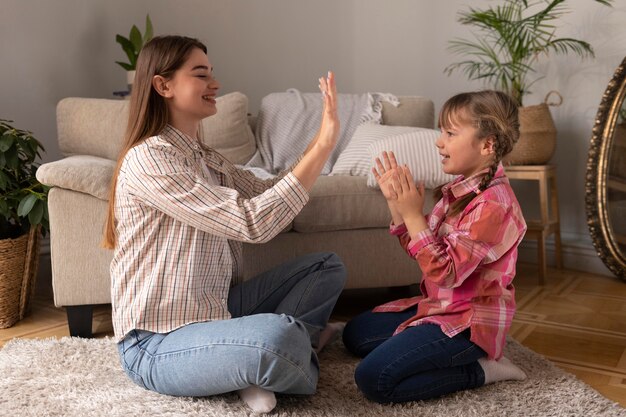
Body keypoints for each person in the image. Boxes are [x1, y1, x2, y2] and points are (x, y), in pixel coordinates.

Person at [102, 35, 346, 414]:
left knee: (325, 266)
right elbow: (252, 223)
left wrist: (320, 142)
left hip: (216, 308)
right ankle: (281, 353)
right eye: (201, 75)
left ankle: (260, 360)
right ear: (163, 85)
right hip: (157, 342)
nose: (215, 84)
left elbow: (269, 194)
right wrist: (323, 147)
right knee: (277, 336)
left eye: (212, 74)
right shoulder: (150, 160)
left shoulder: (206, 158)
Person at [342, 90, 528, 404]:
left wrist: (414, 215)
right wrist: (398, 208)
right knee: (355, 334)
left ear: (487, 145)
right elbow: (424, 251)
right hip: (439, 307)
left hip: (469, 324)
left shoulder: (493, 206)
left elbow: (445, 272)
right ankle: (424, 342)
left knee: (374, 379)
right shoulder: (458, 191)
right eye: (441, 132)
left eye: (450, 133)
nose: (439, 142)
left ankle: (482, 369)